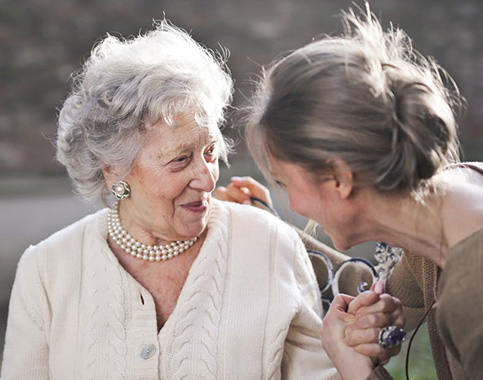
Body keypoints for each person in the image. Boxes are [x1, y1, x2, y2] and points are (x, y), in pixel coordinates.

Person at [0, 20, 403, 380]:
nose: (208, 177)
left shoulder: (267, 244)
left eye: (210, 152)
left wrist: (354, 352)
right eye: (180, 160)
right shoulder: (46, 271)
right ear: (114, 170)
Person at [215, 5, 483, 380]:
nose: (291, 203)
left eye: (285, 184)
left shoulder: (474, 294)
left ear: (339, 178)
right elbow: (377, 288)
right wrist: (265, 225)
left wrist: (357, 370)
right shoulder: (448, 208)